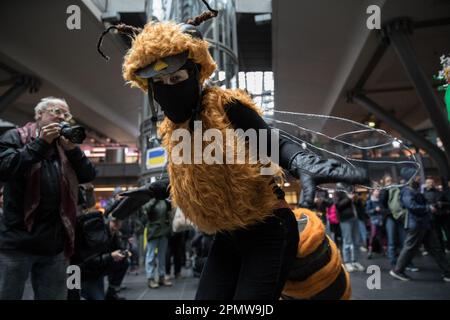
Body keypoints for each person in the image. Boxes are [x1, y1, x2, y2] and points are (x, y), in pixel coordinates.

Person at [102, 4, 368, 299]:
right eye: (160, 83)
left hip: (268, 229)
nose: (169, 87)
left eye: (177, 78)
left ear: (195, 73)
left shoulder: (225, 105)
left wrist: (302, 159)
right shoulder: (174, 129)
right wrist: (155, 189)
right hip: (227, 235)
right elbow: (196, 171)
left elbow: (271, 142)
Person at [0, 97, 96, 300]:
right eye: (56, 111)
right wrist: (41, 144)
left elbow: (88, 175)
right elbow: (5, 168)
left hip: (54, 245)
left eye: (66, 114)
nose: (61, 117)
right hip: (16, 242)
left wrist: (72, 150)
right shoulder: (15, 137)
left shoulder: (65, 147)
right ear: (39, 115)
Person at [389, 169, 450, 282]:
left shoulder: (413, 190)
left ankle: (447, 273)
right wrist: (428, 208)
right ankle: (397, 271)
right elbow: (411, 206)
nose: (418, 177)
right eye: (416, 175)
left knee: (436, 248)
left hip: (424, 224)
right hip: (416, 224)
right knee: (410, 248)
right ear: (410, 177)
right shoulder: (407, 191)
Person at [142, 197, 173, 288]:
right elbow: (145, 210)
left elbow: (169, 212)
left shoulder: (164, 200)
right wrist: (154, 199)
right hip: (153, 231)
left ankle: (161, 277)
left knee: (162, 256)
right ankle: (150, 278)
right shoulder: (151, 200)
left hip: (164, 231)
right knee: (151, 256)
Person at [335, 188, 365, 272]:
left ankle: (355, 261)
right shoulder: (339, 190)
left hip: (355, 218)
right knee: (347, 241)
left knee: (357, 241)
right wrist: (349, 198)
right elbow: (338, 206)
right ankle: (347, 262)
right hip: (345, 220)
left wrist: (357, 199)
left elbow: (359, 205)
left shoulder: (353, 189)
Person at [365, 189, 385, 259]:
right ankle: (370, 251)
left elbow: (382, 209)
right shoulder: (370, 201)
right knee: (373, 235)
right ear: (373, 192)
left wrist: (381, 211)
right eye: (376, 191)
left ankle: (381, 250)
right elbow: (367, 211)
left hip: (380, 220)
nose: (378, 192)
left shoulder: (380, 200)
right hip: (373, 220)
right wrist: (374, 210)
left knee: (380, 236)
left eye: (378, 191)